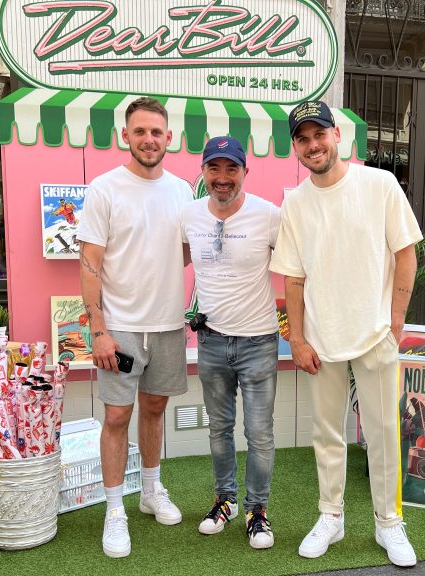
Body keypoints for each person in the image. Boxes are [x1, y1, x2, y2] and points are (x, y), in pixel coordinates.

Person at [269, 100, 422, 567]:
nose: (313, 145)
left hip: (375, 333)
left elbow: (405, 253)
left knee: (382, 432)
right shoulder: (294, 203)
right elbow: (292, 278)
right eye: (303, 138)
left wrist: (394, 321)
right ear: (294, 146)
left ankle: (388, 523)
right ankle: (330, 517)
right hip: (321, 337)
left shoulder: (379, 184)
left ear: (338, 135)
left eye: (320, 134)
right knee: (327, 433)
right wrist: (296, 338)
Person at [77, 97, 193, 559]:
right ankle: (113, 510)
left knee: (154, 409)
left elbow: (186, 251)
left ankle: (150, 490)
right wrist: (98, 329)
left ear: (170, 138)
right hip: (120, 328)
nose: (149, 139)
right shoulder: (105, 188)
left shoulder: (183, 190)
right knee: (117, 416)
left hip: (167, 325)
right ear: (125, 135)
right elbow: (89, 263)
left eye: (157, 132)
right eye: (140, 131)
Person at [180, 136, 281, 549]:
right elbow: (172, 260)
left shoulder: (269, 215)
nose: (222, 178)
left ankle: (258, 512)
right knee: (219, 430)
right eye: (214, 168)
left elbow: (296, 268)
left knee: (259, 433)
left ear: (244, 172)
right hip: (212, 341)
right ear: (203, 172)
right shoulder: (188, 215)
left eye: (231, 169)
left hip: (259, 341)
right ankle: (226, 501)